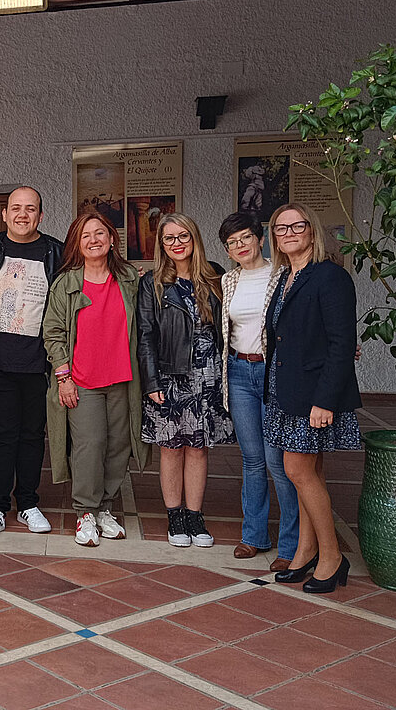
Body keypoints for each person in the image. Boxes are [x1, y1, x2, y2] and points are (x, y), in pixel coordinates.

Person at [265, 202, 361, 593]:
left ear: (312, 230)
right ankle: (306, 552)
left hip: (312, 395)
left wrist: (324, 401)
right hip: (285, 391)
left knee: (298, 472)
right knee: (310, 473)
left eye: (296, 226)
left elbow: (342, 344)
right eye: (280, 229)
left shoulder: (330, 277)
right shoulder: (287, 276)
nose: (288, 233)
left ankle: (333, 556)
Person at [44, 212, 148, 546]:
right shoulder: (66, 283)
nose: (93, 239)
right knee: (90, 445)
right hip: (82, 380)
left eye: (100, 233)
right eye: (85, 235)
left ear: (112, 238)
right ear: (77, 243)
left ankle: (105, 507)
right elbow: (53, 332)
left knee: (118, 445)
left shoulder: (129, 278)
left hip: (122, 377)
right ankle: (85, 512)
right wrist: (64, 377)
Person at [0, 186, 63, 540]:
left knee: (32, 436)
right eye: (16, 208)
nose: (23, 215)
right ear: (4, 214)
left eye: (31, 209)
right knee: (2, 435)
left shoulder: (56, 251)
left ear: (41, 215)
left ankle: (28, 503)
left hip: (39, 363)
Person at [138, 212, 233, 549]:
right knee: (171, 448)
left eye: (183, 237)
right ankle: (175, 516)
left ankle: (195, 515)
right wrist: (151, 382)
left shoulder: (216, 277)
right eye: (169, 238)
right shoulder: (152, 283)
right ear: (161, 245)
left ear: (194, 239)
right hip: (170, 375)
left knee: (199, 449)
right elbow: (145, 335)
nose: (177, 244)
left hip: (209, 374)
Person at [218, 212, 297, 572]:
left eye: (244, 238)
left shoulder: (282, 276)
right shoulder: (228, 280)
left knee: (278, 461)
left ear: (260, 238)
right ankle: (253, 537)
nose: (239, 247)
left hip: (272, 372)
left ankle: (291, 543)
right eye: (232, 243)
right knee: (252, 459)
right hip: (237, 371)